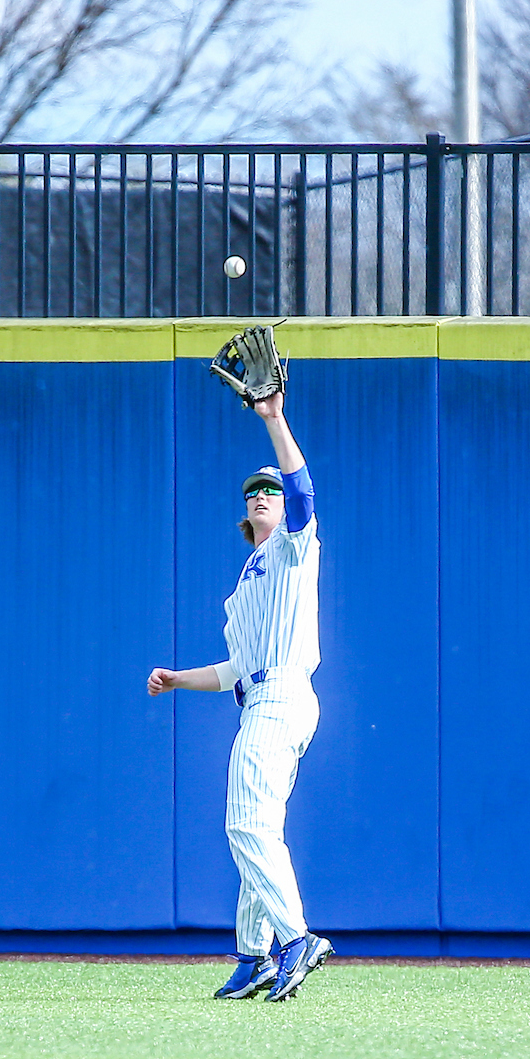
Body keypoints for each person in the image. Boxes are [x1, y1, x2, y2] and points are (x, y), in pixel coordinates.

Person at [147, 389, 333, 1002]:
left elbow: (305, 496)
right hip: (263, 694)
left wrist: (276, 418)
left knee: (246, 823)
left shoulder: (292, 547)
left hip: (281, 695)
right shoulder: (248, 577)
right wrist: (179, 680)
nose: (263, 495)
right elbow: (234, 671)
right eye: (255, 491)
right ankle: (256, 954)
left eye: (270, 490)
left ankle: (296, 938)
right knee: (260, 825)